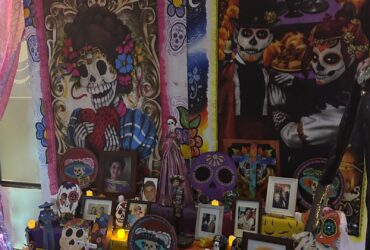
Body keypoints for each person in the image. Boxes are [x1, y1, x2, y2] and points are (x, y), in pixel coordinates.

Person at [218, 0, 279, 149]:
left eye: (261, 34)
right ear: (237, 35)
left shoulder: (272, 75)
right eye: (246, 34)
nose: (252, 41)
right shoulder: (225, 73)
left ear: (269, 39)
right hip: (231, 137)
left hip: (264, 141)